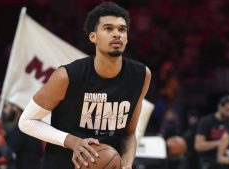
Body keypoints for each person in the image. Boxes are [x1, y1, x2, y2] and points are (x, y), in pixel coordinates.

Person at [18, 2, 151, 169]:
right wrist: (73, 142)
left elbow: (128, 134)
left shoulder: (140, 75)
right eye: (109, 29)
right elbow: (26, 121)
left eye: (122, 29)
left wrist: (126, 165)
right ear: (93, 37)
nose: (117, 34)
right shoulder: (66, 76)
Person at [0, 103, 43, 169]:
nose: (4, 110)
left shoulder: (22, 128)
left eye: (6, 107)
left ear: (16, 108)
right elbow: (12, 154)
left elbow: (8, 154)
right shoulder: (29, 127)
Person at [195, 95, 229, 169]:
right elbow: (198, 146)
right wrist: (220, 142)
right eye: (227, 109)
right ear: (220, 106)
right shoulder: (206, 121)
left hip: (225, 161)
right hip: (208, 161)